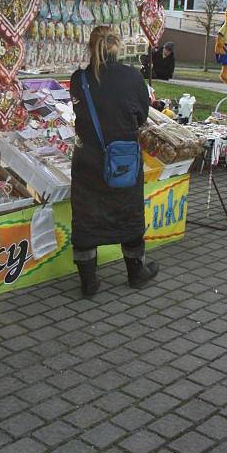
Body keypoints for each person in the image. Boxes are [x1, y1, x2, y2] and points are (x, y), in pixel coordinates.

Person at [70, 26, 159, 298]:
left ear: (90, 46)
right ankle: (136, 273)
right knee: (129, 213)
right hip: (124, 159)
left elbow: (79, 112)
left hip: (87, 161)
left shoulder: (79, 79)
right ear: (117, 46)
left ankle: (89, 282)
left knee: (85, 218)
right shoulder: (132, 77)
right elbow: (142, 115)